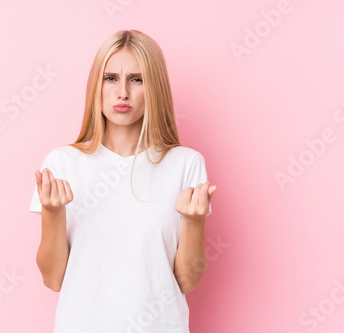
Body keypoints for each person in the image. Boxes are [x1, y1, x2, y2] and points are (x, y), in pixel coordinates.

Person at [29, 29, 217, 333]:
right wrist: (53, 213)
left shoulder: (185, 163)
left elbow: (188, 280)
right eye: (111, 78)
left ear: (154, 87)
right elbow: (52, 279)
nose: (123, 93)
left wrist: (194, 220)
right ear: (96, 86)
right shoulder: (63, 163)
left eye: (137, 79)